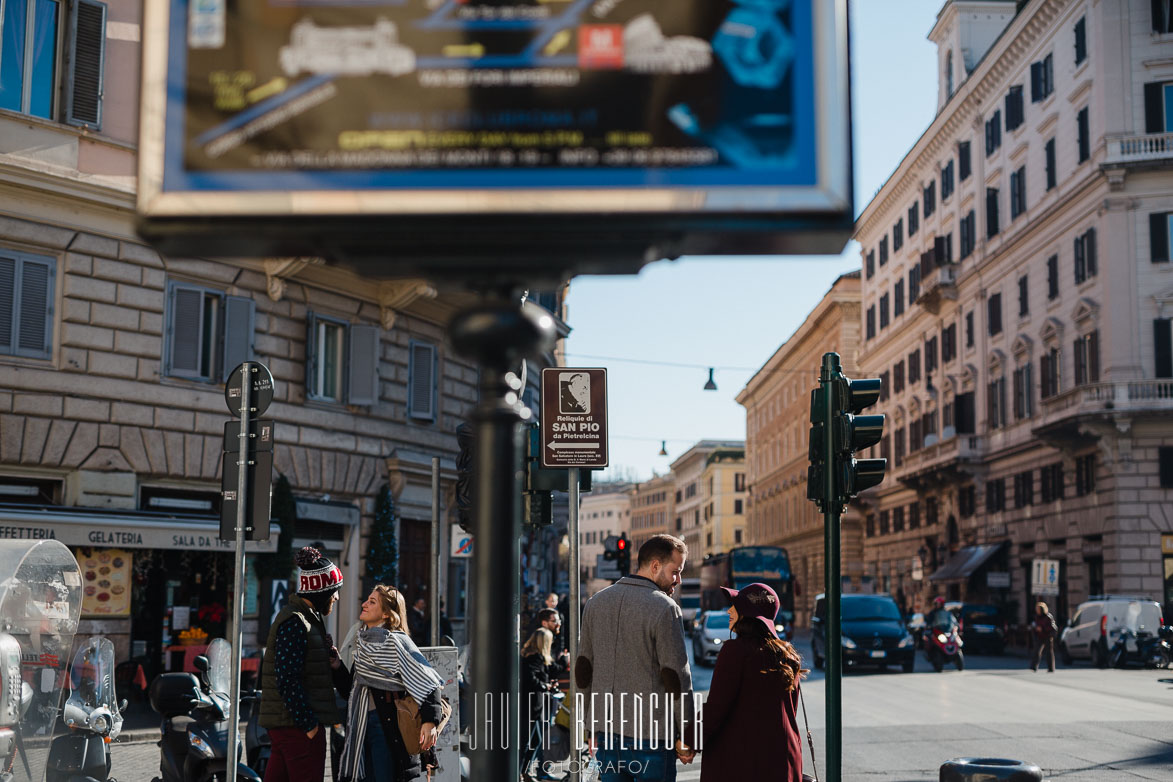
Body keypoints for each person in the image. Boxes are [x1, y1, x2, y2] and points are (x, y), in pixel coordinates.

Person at [576, 533, 696, 782]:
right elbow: (676, 677)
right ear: (655, 566)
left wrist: (586, 726)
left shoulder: (595, 603)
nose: (679, 580)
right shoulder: (664, 607)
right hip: (650, 735)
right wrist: (687, 734)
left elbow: (583, 670)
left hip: (606, 733)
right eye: (676, 571)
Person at [337, 585, 445, 782]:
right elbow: (350, 691)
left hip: (386, 725)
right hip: (360, 725)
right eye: (367, 599)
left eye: (372, 602)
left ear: (387, 613)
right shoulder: (363, 644)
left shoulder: (397, 642)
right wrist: (336, 666)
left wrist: (430, 722)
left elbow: (428, 682)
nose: (364, 604)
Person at [701, 583, 806, 782]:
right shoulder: (788, 655)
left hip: (743, 763)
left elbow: (716, 708)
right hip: (782, 760)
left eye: (735, 606)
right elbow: (789, 711)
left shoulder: (736, 651)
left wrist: (688, 741)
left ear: (748, 614)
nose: (729, 611)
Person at [259, 547, 345, 782]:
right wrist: (308, 725)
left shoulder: (307, 618)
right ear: (322, 591)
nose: (336, 598)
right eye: (334, 592)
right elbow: (286, 677)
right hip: (296, 727)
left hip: (289, 726)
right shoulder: (296, 622)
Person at [520, 627, 561, 781]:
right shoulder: (533, 658)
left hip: (535, 706)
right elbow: (530, 679)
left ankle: (524, 771)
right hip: (530, 706)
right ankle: (520, 772)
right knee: (526, 741)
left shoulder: (535, 658)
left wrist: (546, 684)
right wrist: (545, 686)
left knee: (535, 740)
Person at [1031, 601, 1058, 672]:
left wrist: (1042, 628)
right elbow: (1035, 626)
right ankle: (1033, 666)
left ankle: (1051, 668)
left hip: (1047, 636)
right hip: (1040, 636)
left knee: (1049, 652)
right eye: (1036, 609)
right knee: (1036, 651)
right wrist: (1035, 629)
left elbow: (1053, 627)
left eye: (1038, 609)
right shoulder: (1037, 617)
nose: (1037, 611)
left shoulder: (1048, 617)